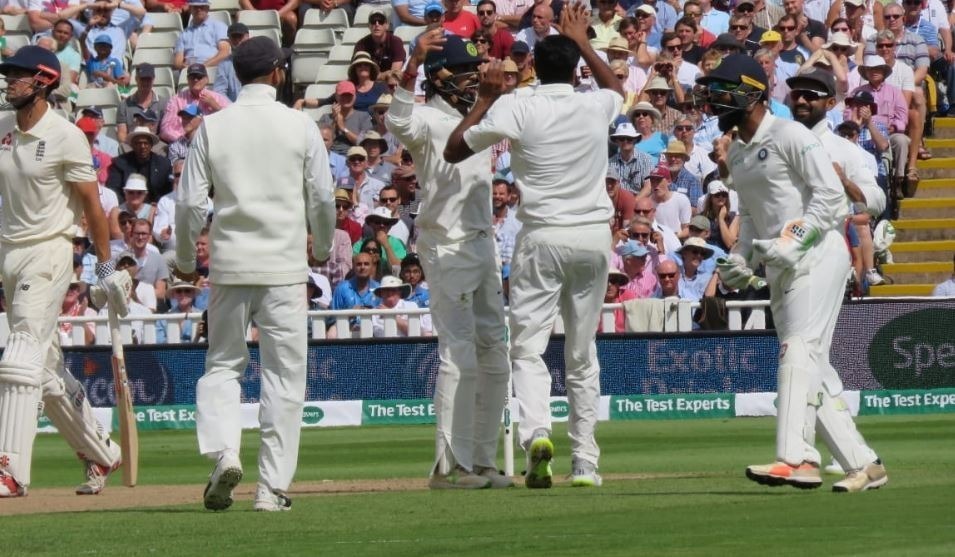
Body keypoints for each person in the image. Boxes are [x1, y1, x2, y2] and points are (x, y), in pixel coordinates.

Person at [445, 3, 624, 489]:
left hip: (542, 236)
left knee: (527, 349)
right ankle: (585, 462)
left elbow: (454, 150)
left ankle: (538, 435)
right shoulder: (594, 103)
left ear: (532, 69)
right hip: (592, 236)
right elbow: (617, 89)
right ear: (575, 67)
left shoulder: (518, 104)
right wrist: (583, 41)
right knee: (582, 354)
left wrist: (484, 99)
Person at [702, 53, 886, 492]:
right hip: (781, 264)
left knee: (796, 349)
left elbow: (831, 198)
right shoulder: (739, 153)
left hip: (819, 254)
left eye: (722, 90)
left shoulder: (790, 135)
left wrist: (793, 240)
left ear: (750, 94)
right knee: (810, 366)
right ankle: (865, 464)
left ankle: (797, 457)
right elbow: (751, 218)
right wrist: (741, 260)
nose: (714, 99)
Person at [174, 36, 335, 512]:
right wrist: (323, 247)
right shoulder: (300, 125)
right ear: (278, 73)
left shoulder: (213, 126)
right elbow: (322, 196)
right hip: (284, 268)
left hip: (230, 265)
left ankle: (225, 452)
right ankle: (271, 489)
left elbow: (189, 203)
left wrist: (186, 259)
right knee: (284, 378)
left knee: (223, 365)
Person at [0, 47, 131, 498]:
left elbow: (93, 205)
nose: (9, 82)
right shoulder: (3, 128)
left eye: (18, 76)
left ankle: (9, 470)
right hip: (10, 253)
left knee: (19, 357)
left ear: (43, 82)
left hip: (50, 251)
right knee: (46, 371)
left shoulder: (66, 136)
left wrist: (105, 266)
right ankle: (101, 451)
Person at [385, 33, 511, 488]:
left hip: (482, 243)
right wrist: (413, 62)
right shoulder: (425, 118)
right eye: (463, 74)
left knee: (495, 355)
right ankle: (448, 466)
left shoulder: (476, 115)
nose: (473, 81)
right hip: (445, 243)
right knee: (458, 354)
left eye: (475, 73)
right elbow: (397, 120)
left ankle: (482, 461)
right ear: (439, 78)